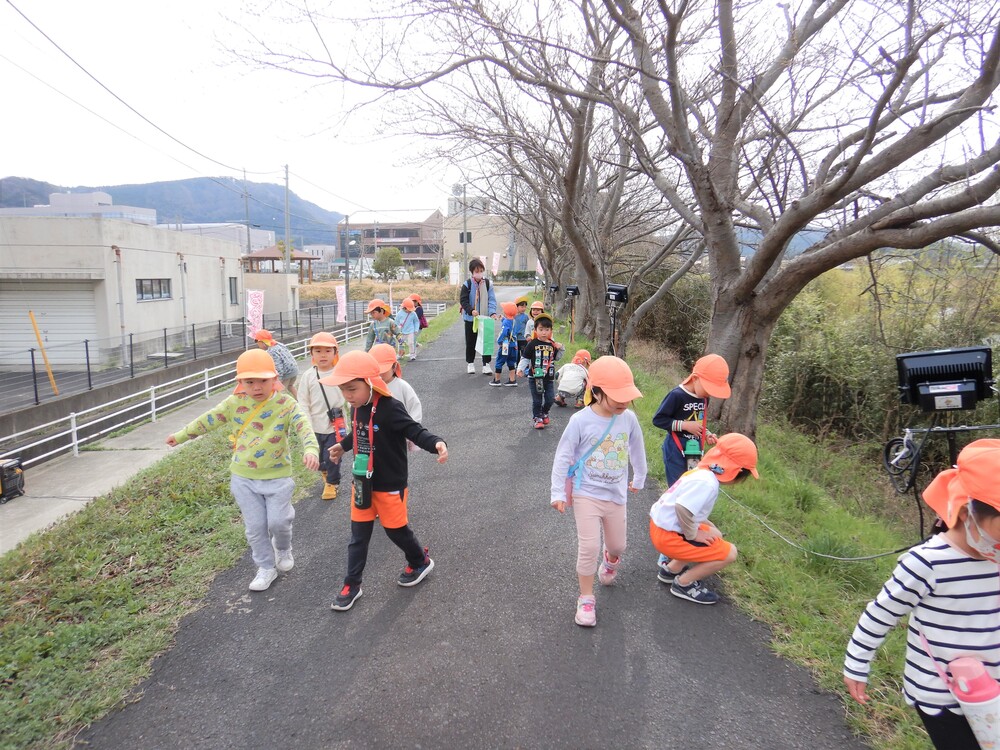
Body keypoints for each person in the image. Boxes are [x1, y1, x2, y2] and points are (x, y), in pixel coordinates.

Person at [844, 439, 1000, 750]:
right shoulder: (927, 562)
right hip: (941, 694)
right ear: (969, 513)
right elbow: (880, 613)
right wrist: (857, 663)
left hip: (992, 688)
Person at [165, 349, 319, 592]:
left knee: (279, 522)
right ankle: (266, 568)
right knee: (256, 527)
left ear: (275, 379)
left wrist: (311, 450)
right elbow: (208, 419)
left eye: (263, 381)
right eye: (250, 382)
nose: (257, 387)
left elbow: (304, 427)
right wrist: (181, 436)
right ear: (240, 382)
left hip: (278, 476)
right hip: (243, 478)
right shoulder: (234, 403)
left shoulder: (285, 403)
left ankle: (283, 547)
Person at [321, 350, 448, 611]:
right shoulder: (357, 407)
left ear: (369, 382)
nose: (348, 396)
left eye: (352, 389)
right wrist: (342, 447)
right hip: (362, 483)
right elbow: (359, 432)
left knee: (396, 530)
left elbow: (414, 430)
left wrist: (437, 443)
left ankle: (419, 560)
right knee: (358, 536)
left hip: (390, 483)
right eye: (343, 390)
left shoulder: (390, 407)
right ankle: (351, 584)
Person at [550, 356, 648, 627]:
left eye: (627, 396)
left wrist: (639, 476)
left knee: (618, 546)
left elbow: (637, 450)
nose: (624, 402)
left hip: (616, 495)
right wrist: (558, 492)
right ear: (596, 392)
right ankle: (586, 598)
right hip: (586, 493)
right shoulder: (580, 421)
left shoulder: (628, 419)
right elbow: (563, 457)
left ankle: (610, 560)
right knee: (589, 547)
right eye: (617, 396)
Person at [649, 432, 758, 605]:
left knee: (715, 534)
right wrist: (693, 535)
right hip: (668, 537)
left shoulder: (701, 472)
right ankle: (684, 584)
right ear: (736, 471)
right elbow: (682, 508)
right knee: (729, 553)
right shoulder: (707, 483)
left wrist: (706, 527)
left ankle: (671, 570)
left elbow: (690, 510)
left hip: (662, 528)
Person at [651, 353, 731, 577]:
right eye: (709, 388)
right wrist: (684, 426)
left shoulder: (703, 398)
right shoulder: (677, 395)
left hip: (694, 454)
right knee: (680, 499)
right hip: (676, 453)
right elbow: (659, 420)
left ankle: (685, 544)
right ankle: (668, 551)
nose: (710, 394)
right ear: (695, 378)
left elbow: (698, 421)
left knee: (692, 497)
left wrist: (706, 433)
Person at [296, 332, 347, 501]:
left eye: (327, 350)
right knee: (320, 459)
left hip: (336, 426)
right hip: (314, 427)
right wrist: (306, 424)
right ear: (311, 354)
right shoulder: (308, 376)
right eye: (318, 351)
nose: (323, 355)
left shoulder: (341, 373)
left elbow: (350, 396)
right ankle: (325, 472)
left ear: (335, 352)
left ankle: (333, 482)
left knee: (332, 456)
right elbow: (303, 402)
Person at [517, 313, 564, 429]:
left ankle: (544, 412)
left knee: (550, 399)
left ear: (551, 331)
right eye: (541, 329)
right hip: (535, 378)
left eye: (547, 330)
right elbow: (525, 358)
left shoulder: (553, 345)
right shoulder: (532, 344)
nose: (544, 332)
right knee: (537, 400)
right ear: (536, 330)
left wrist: (561, 348)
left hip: (548, 378)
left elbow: (557, 358)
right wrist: (520, 369)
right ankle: (537, 417)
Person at [459, 258, 497, 374]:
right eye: (477, 271)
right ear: (472, 272)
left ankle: (486, 365)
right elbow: (463, 300)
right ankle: (470, 363)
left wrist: (492, 312)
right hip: (471, 319)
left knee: (486, 341)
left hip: (485, 318)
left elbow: (492, 300)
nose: (479, 273)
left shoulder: (488, 284)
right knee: (471, 341)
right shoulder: (467, 284)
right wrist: (471, 311)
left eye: (481, 270)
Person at [370, 343, 422, 422]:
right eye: (375, 370)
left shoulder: (402, 387)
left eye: (383, 370)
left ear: (394, 366)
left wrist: (410, 431)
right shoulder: (368, 387)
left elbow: (415, 410)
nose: (379, 374)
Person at [253, 329, 300, 398]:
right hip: (294, 369)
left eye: (258, 343)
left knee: (280, 393)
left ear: (262, 342)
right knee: (290, 386)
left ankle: (284, 407)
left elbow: (278, 367)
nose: (258, 345)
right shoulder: (278, 344)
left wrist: (278, 380)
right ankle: (301, 402)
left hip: (287, 373)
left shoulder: (272, 351)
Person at [490, 301, 520, 387]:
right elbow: (509, 325)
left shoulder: (506, 322)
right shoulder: (514, 321)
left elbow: (504, 332)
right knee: (511, 362)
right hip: (514, 345)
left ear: (506, 312)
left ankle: (497, 380)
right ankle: (512, 380)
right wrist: (502, 319)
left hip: (505, 345)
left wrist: (499, 342)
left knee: (499, 361)